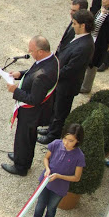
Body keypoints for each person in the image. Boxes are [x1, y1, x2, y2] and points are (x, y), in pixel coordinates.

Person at [2, 35, 59, 176]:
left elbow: (34, 99)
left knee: (25, 138)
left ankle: (21, 167)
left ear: (41, 51)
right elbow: (32, 72)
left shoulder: (43, 75)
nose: (29, 52)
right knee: (26, 137)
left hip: (32, 113)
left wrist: (15, 90)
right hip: (35, 111)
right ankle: (20, 156)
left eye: (31, 50)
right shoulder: (51, 59)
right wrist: (20, 74)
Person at [37, 9, 94, 145]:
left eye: (75, 24)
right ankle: (50, 128)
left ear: (83, 25)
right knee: (55, 107)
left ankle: (53, 135)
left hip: (67, 85)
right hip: (61, 82)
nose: (73, 26)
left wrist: (53, 74)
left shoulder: (85, 45)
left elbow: (71, 69)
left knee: (60, 112)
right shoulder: (79, 37)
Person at [27, 123, 85, 217]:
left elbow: (77, 177)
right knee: (39, 206)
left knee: (51, 209)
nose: (66, 143)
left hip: (59, 188)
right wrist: (47, 168)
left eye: (71, 141)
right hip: (45, 183)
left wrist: (59, 176)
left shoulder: (79, 157)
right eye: (65, 138)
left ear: (77, 141)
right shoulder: (56, 144)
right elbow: (46, 158)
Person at [81, 0, 109, 93]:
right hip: (92, 38)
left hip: (99, 44)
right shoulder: (102, 9)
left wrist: (108, 45)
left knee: (92, 65)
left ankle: (86, 87)